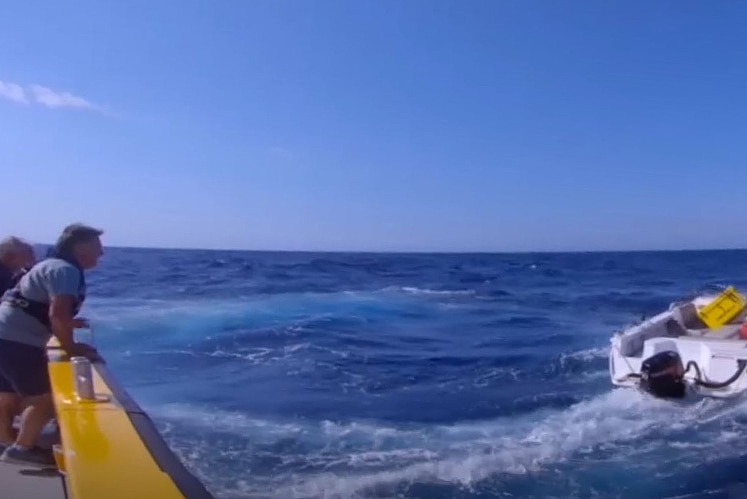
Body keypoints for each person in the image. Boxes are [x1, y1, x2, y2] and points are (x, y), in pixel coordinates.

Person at [0, 224, 103, 465]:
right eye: (97, 246)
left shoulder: (50, 265)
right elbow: (57, 315)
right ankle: (21, 450)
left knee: (7, 394)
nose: (102, 253)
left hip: (5, 335)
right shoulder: (66, 270)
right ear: (81, 247)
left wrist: (69, 323)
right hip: (16, 341)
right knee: (45, 399)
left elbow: (40, 308)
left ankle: (6, 440)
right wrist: (72, 347)